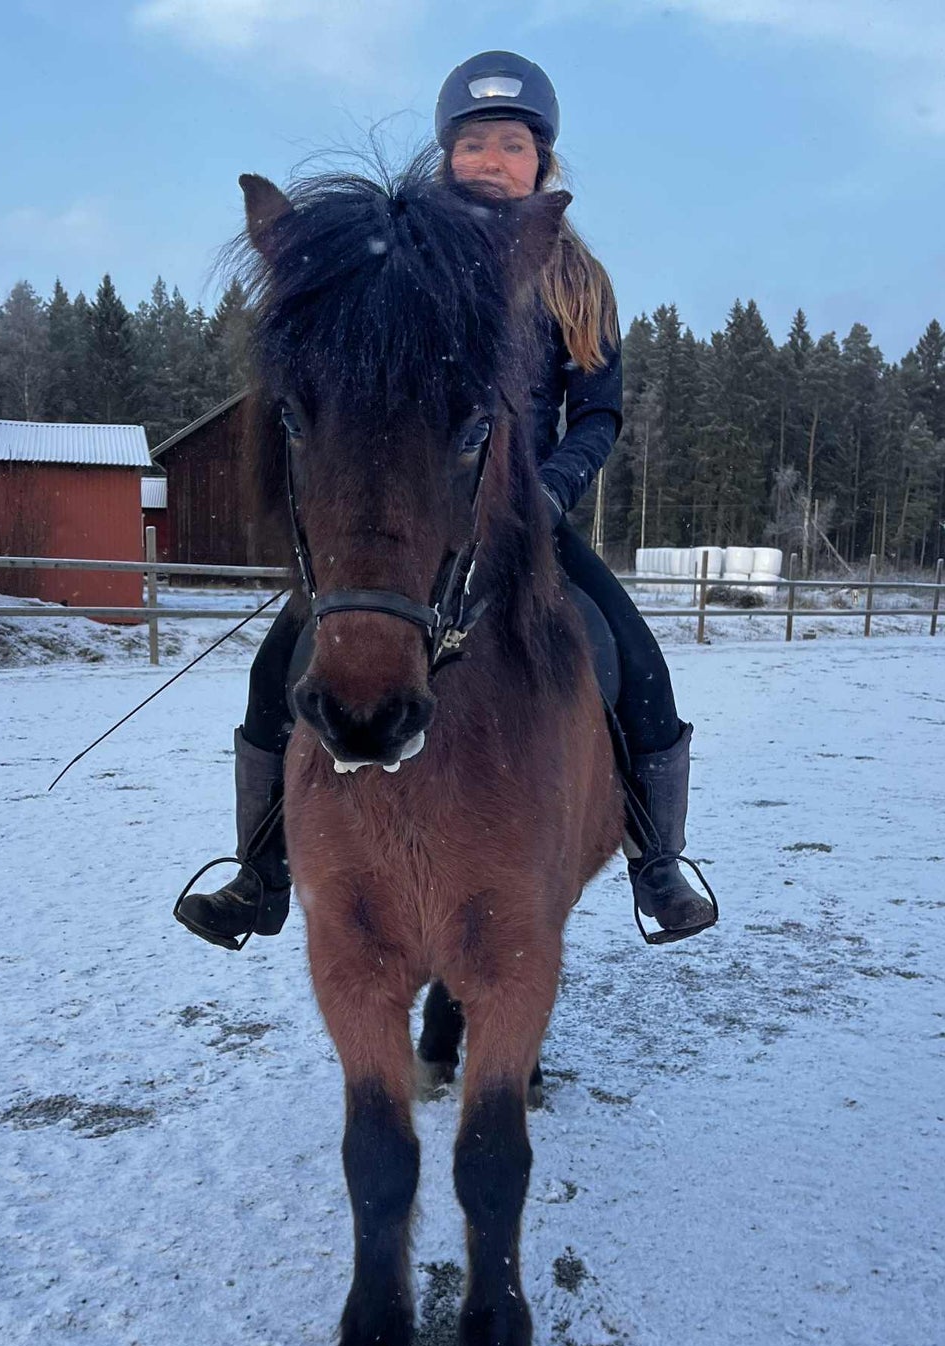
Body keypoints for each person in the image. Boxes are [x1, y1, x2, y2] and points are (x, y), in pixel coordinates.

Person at [176, 50, 716, 951]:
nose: (493, 160)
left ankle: (656, 858)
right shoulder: (399, 262)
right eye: (473, 143)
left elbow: (599, 414)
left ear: (542, 162)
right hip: (416, 519)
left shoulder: (576, 280)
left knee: (632, 650)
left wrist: (550, 491)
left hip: (527, 516)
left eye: (513, 144)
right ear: (446, 155)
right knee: (281, 659)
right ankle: (259, 869)